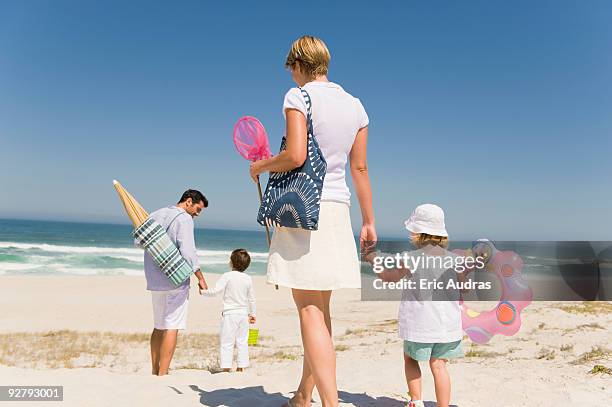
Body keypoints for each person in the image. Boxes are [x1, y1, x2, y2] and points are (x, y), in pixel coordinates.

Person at [249, 35, 376, 407]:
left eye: (290, 66)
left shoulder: (298, 97)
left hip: (304, 210)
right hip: (339, 211)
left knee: (308, 311)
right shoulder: (356, 106)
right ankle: (304, 396)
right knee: (320, 312)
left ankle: (330, 404)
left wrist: (260, 165)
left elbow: (296, 156)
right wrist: (369, 221)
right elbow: (360, 167)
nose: (290, 73)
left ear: (299, 64)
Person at [366, 204, 464, 407]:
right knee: (439, 366)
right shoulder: (455, 260)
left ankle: (416, 401)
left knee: (410, 359)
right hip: (447, 325)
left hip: (420, 324)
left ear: (417, 234)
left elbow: (388, 277)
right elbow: (464, 287)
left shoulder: (410, 258)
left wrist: (371, 258)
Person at [139, 189, 209, 376]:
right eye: (197, 209)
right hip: (175, 279)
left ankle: (155, 370)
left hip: (154, 279)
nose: (197, 214)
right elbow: (188, 252)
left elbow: (139, 240)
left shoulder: (155, 214)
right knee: (172, 326)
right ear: (188, 201)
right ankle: (164, 373)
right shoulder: (184, 219)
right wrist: (200, 277)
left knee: (158, 325)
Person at [201, 248, 257, 372]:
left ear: (231, 262)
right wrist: (253, 314)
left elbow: (216, 291)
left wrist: (203, 291)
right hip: (243, 315)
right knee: (242, 342)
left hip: (229, 314)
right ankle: (241, 368)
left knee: (227, 342)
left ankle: (226, 368)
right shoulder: (248, 278)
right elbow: (251, 299)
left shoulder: (227, 276)